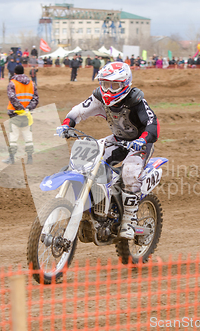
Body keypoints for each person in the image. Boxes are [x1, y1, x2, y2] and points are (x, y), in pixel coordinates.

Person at [56, 62, 159, 240]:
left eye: (115, 86)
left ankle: (129, 219)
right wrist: (67, 124)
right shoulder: (99, 97)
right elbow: (79, 111)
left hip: (140, 143)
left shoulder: (136, 101)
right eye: (105, 84)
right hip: (118, 139)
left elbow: (153, 125)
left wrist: (142, 139)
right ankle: (92, 203)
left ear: (126, 84)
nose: (109, 90)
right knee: (86, 158)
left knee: (129, 172)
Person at [2, 65, 39, 165]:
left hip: (15, 114)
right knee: (28, 136)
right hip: (27, 115)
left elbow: (12, 97)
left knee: (13, 136)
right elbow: (36, 99)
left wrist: (20, 109)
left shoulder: (12, 83)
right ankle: (30, 158)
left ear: (14, 73)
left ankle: (12, 158)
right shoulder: (32, 83)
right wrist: (28, 109)